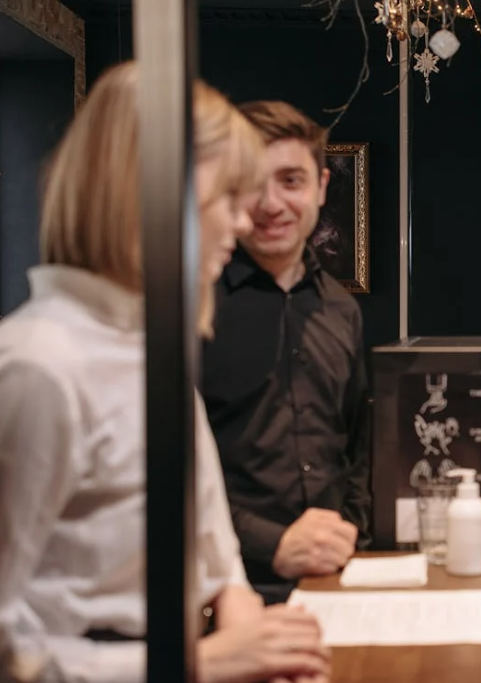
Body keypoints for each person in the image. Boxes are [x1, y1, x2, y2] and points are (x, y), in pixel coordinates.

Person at [0, 62, 331, 683]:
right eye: (226, 198)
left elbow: (208, 531)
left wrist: (241, 615)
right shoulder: (40, 364)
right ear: (149, 193)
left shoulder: (155, 349)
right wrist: (204, 663)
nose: (242, 222)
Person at [201, 100, 370, 605]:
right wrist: (270, 543)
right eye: (252, 182)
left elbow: (358, 444)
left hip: (336, 578)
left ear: (321, 186)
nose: (271, 204)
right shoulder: (192, 306)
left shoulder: (342, 310)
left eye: (291, 181)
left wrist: (352, 528)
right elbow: (166, 470)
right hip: (226, 589)